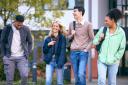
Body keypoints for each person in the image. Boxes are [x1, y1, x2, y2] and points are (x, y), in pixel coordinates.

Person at [93, 8, 126, 85]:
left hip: (114, 62)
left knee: (112, 82)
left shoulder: (121, 33)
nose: (105, 22)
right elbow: (94, 41)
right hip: (102, 60)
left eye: (106, 21)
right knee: (101, 80)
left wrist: (116, 58)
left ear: (113, 20)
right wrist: (100, 39)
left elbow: (122, 48)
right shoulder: (103, 29)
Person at [1, 15, 33, 85]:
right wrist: (3, 55)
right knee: (9, 80)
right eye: (18, 25)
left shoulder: (26, 29)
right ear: (15, 21)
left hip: (21, 57)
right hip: (9, 57)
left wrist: (27, 53)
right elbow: (2, 42)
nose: (20, 26)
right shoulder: (7, 29)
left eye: (21, 25)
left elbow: (30, 42)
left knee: (24, 75)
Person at [68, 6, 94, 85]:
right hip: (73, 52)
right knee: (76, 76)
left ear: (80, 12)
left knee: (81, 73)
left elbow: (92, 39)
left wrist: (86, 49)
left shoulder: (88, 24)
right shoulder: (71, 24)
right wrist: (72, 35)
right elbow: (68, 38)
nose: (73, 13)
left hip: (83, 52)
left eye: (75, 11)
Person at [43, 20, 67, 85]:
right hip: (50, 61)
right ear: (52, 27)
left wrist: (60, 63)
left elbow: (63, 51)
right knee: (48, 81)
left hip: (59, 61)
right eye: (54, 26)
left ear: (59, 28)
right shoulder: (47, 38)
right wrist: (48, 44)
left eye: (57, 26)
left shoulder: (62, 38)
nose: (55, 27)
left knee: (59, 82)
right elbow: (44, 51)